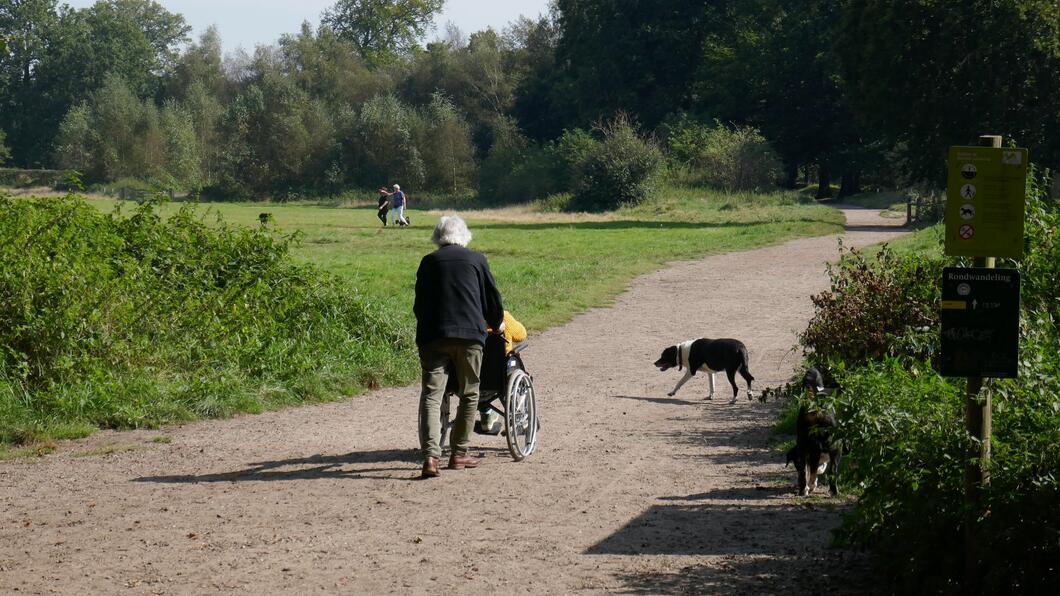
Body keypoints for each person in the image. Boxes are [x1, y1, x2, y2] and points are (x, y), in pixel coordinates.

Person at [413, 215, 504, 478]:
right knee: (469, 393)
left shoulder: (428, 262)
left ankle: (431, 456)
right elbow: (492, 300)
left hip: (433, 337)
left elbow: (419, 305)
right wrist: (496, 324)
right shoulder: (477, 260)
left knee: (432, 395)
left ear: (438, 237)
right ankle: (459, 453)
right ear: (464, 236)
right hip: (469, 336)